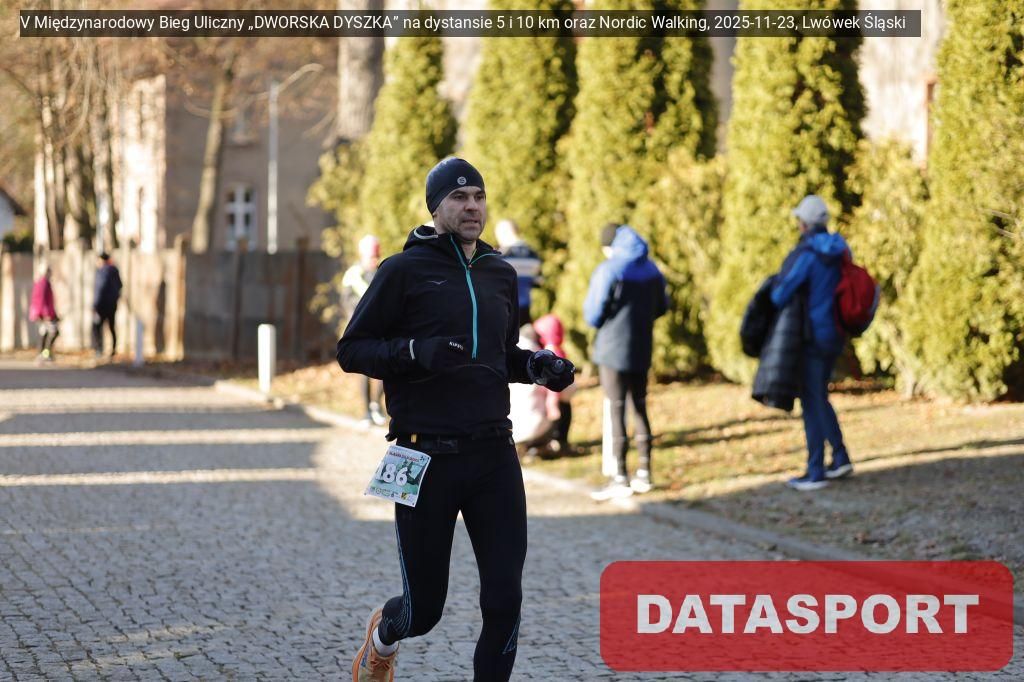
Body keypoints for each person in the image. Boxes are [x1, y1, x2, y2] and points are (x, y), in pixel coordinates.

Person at [336, 157, 575, 682]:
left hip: (493, 453)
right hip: (423, 455)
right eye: (459, 197)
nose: (472, 207)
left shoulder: (500, 273)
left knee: (505, 599)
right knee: (424, 610)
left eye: (479, 197)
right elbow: (351, 350)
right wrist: (414, 352)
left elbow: (499, 354)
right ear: (436, 206)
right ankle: (383, 636)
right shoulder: (401, 271)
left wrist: (536, 366)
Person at [770, 194, 853, 491]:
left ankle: (815, 470)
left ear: (804, 224)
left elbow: (780, 293)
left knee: (811, 399)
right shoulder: (840, 249)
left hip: (812, 336)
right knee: (819, 395)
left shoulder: (808, 254)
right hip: (835, 333)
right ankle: (840, 457)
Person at [584, 223, 668, 500]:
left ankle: (620, 476)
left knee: (616, 409)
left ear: (609, 247)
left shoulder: (609, 270)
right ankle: (645, 472)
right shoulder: (652, 269)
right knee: (640, 407)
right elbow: (662, 306)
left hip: (612, 349)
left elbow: (593, 314)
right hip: (642, 346)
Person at [342, 234, 386, 426]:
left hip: (382, 329)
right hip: (361, 331)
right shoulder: (353, 275)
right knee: (364, 372)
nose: (373, 260)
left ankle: (377, 406)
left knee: (385, 368)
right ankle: (366, 410)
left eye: (376, 256)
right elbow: (347, 301)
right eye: (371, 257)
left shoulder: (383, 272)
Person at [508, 324, 555, 459]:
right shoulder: (538, 359)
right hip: (536, 424)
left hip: (511, 427)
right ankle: (541, 445)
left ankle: (528, 447)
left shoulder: (505, 356)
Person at [533, 313, 576, 454]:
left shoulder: (549, 351)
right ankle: (562, 440)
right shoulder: (558, 347)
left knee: (559, 417)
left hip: (559, 392)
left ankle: (558, 440)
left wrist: (552, 403)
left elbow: (553, 380)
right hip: (567, 390)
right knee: (566, 413)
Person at [494, 219, 542, 324]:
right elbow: (538, 282)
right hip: (525, 309)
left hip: (503, 312)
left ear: (504, 232)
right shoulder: (533, 255)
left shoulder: (501, 256)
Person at [92, 252, 122, 358]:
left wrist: (95, 305)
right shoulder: (115, 271)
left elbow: (100, 289)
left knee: (97, 327)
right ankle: (113, 349)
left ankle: (98, 349)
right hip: (112, 305)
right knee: (111, 327)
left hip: (101, 305)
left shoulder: (102, 272)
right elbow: (120, 286)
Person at [29, 263, 59, 363]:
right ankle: (45, 353)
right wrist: (47, 315)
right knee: (52, 333)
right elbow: (42, 301)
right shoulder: (43, 283)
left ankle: (44, 354)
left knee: (45, 333)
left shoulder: (44, 282)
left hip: (44, 313)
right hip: (44, 314)